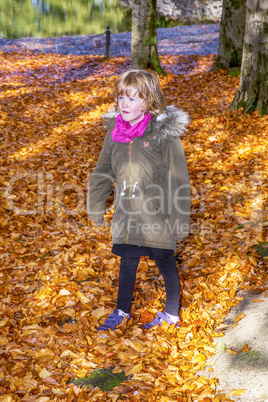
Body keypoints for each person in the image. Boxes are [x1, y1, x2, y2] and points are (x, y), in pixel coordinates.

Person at [87, 69, 191, 331]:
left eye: (132, 99)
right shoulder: (114, 133)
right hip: (127, 214)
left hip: (158, 214)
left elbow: (178, 179)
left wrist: (179, 222)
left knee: (165, 261)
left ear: (148, 101)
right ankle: (122, 310)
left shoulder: (162, 134)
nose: (124, 103)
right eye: (121, 97)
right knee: (128, 262)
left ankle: (171, 315)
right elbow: (103, 171)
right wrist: (96, 205)